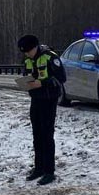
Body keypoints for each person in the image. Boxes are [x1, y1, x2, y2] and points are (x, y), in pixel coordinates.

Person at [17, 34, 66, 185]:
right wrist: (26, 82)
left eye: (28, 51)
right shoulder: (27, 59)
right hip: (35, 99)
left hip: (49, 99)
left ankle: (49, 171)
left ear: (35, 47)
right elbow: (27, 74)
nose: (26, 54)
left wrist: (42, 83)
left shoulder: (50, 57)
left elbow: (61, 78)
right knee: (37, 134)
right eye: (24, 52)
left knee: (47, 134)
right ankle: (38, 168)